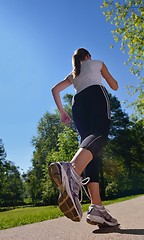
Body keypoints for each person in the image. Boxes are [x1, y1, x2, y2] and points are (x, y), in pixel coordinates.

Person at [48, 48, 119, 227]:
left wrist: (62, 112)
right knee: (100, 135)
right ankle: (71, 171)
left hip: (77, 103)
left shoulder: (73, 75)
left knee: (89, 152)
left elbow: (55, 90)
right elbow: (115, 85)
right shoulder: (97, 63)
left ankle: (97, 207)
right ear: (88, 56)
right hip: (96, 94)